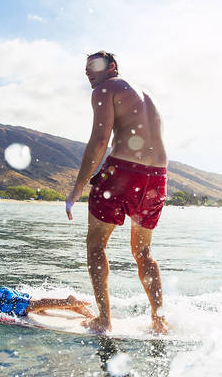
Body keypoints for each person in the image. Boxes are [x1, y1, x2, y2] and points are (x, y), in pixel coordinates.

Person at [66, 51, 170, 334]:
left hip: (122, 172)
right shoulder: (145, 95)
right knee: (143, 252)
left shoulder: (105, 88)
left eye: (94, 67)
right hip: (157, 177)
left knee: (96, 246)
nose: (89, 72)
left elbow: (100, 140)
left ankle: (104, 320)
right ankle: (159, 321)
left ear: (111, 67)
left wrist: (78, 186)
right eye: (86, 68)